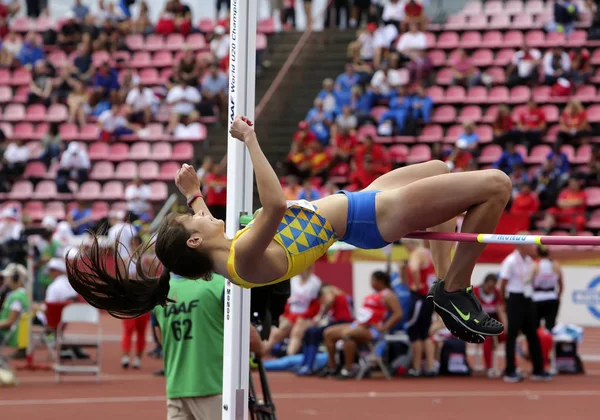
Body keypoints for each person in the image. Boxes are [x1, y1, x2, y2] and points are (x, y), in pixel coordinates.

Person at [67, 116, 512, 344]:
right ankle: (456, 289)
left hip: (359, 205)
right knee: (496, 185)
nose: (206, 212)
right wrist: (250, 140)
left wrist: (194, 196)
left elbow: (209, 230)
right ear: (196, 240)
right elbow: (275, 204)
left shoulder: (227, 251)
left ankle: (443, 287)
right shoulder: (244, 258)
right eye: (197, 218)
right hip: (373, 215)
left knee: (436, 169)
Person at [153, 272, 264, 420]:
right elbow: (248, 336)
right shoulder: (221, 285)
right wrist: (262, 349)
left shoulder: (160, 292)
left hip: (176, 388)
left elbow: (161, 337)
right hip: (215, 386)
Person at [321, 271, 402, 379]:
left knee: (348, 335)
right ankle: (331, 366)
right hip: (359, 325)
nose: (370, 282)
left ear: (380, 281)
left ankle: (348, 368)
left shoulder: (388, 295)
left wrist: (384, 327)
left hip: (372, 329)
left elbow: (398, 313)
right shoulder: (374, 294)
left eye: (372, 280)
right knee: (328, 333)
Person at [499, 238, 552, 382]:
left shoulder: (529, 261)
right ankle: (510, 371)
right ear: (521, 245)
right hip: (514, 299)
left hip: (528, 298)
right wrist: (505, 302)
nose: (533, 246)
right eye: (530, 243)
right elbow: (502, 283)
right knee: (512, 335)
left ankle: (538, 370)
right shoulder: (510, 261)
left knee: (532, 334)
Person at [403, 239, 436, 377]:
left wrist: (417, 284)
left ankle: (416, 367)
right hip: (428, 298)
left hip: (419, 298)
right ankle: (430, 366)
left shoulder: (416, 254)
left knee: (414, 332)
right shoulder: (428, 254)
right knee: (425, 333)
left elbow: (415, 268)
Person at [473, 273, 507, 378]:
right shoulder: (475, 292)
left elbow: (501, 311)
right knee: (487, 338)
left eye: (493, 287)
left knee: (508, 335)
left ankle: (510, 366)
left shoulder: (496, 293)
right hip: (478, 323)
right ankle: (489, 367)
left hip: (493, 322)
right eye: (489, 287)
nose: (490, 289)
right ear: (484, 283)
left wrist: (506, 326)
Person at [530, 246, 563, 331]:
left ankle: (537, 343)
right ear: (549, 253)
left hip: (537, 298)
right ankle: (550, 343)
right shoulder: (556, 264)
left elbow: (528, 282)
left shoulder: (534, 265)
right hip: (552, 297)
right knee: (551, 326)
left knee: (534, 326)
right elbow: (561, 284)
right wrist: (558, 296)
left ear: (537, 253)